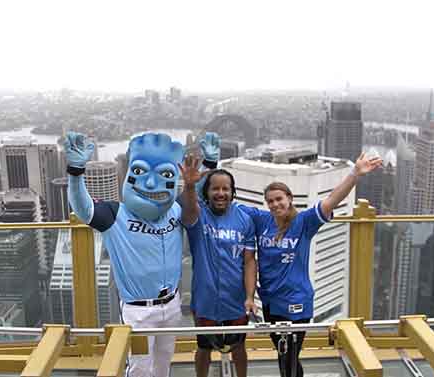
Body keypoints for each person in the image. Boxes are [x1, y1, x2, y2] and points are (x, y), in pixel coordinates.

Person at [237, 152, 382, 377]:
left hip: (297, 302)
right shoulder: (261, 220)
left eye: (279, 199)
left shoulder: (303, 222)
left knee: (288, 355)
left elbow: (333, 199)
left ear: (289, 198)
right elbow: (225, 203)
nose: (276, 204)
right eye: (271, 201)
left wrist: (355, 174)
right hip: (270, 300)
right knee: (284, 355)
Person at [64, 131, 186, 377]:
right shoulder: (115, 214)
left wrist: (209, 166)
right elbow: (83, 208)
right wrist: (76, 171)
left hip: (172, 304)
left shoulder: (175, 210)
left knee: (164, 363)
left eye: (165, 175)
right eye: (140, 172)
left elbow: (201, 197)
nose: (151, 184)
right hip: (139, 311)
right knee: (140, 367)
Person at [179, 135, 257, 377]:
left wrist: (249, 296)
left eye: (226, 189)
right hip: (205, 299)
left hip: (236, 300)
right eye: (215, 188)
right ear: (208, 192)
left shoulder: (244, 219)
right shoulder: (198, 215)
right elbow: (188, 208)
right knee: (203, 348)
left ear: (233, 192)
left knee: (238, 346)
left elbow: (249, 261)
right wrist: (191, 186)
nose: (220, 193)